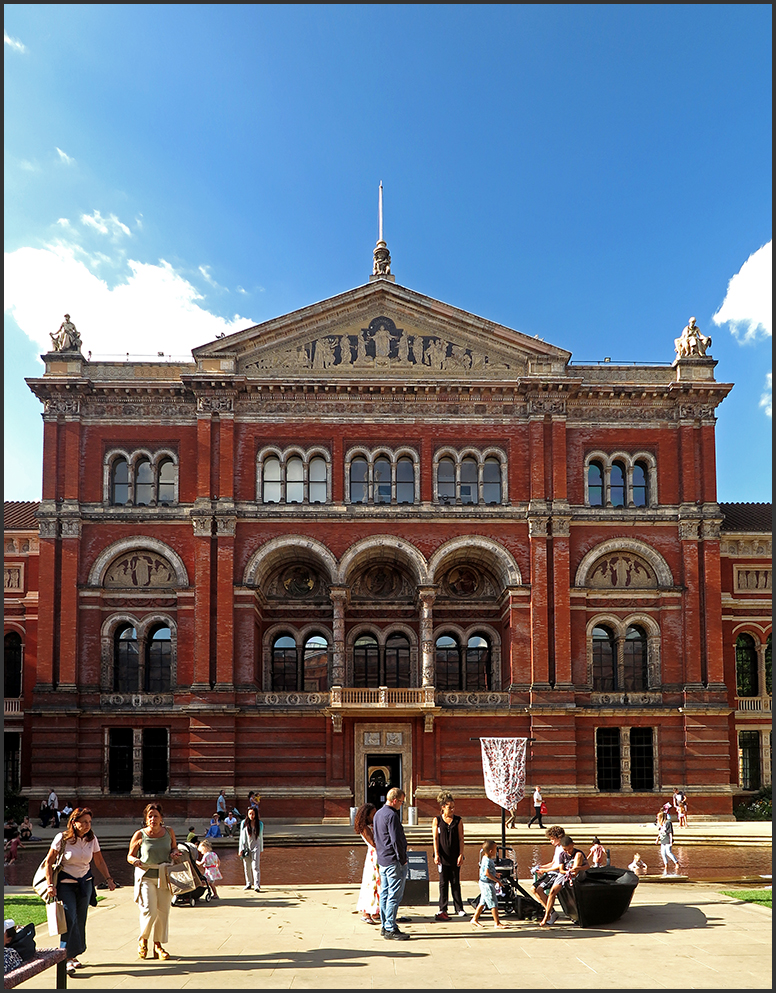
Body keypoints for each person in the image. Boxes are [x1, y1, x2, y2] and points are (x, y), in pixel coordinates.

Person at [44, 807, 116, 975]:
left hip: (86, 883)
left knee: (81, 919)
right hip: (66, 884)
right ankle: (65, 957)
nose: (87, 825)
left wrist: (109, 879)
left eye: (89, 822)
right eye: (83, 822)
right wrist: (50, 885)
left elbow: (98, 861)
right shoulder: (62, 838)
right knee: (70, 918)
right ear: (74, 823)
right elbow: (49, 862)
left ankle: (74, 954)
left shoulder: (92, 839)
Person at [127, 802, 182, 961]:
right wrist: (135, 861)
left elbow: (173, 848)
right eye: (150, 816)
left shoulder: (169, 832)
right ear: (146, 818)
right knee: (150, 911)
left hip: (164, 875)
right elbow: (130, 856)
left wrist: (175, 853)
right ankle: (143, 939)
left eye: (155, 816)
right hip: (146, 876)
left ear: (161, 818)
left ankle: (158, 946)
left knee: (163, 912)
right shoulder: (140, 834)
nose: (153, 819)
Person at [372, 787, 410, 940]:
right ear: (395, 800)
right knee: (394, 895)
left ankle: (384, 925)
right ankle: (390, 927)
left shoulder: (378, 814)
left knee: (385, 894)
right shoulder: (392, 815)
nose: (401, 805)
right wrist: (402, 859)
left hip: (383, 860)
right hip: (394, 861)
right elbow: (396, 840)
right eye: (401, 802)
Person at [539, 834, 588, 927]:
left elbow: (587, 866)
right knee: (552, 892)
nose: (568, 852)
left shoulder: (578, 852)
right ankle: (547, 916)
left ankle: (573, 875)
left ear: (573, 845)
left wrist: (577, 868)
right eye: (565, 849)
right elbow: (561, 870)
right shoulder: (562, 854)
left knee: (578, 856)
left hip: (578, 872)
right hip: (565, 873)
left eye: (569, 849)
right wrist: (567, 872)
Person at [432, 791, 466, 920]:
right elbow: (435, 838)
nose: (451, 809)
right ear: (443, 807)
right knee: (443, 882)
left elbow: (461, 838)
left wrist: (461, 854)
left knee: (455, 881)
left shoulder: (458, 820)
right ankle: (443, 907)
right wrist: (436, 854)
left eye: (453, 807)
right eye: (449, 807)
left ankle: (459, 907)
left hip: (454, 855)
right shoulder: (437, 820)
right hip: (442, 856)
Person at [529, 825, 566, 917]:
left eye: (552, 839)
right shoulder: (557, 848)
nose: (551, 841)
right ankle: (551, 911)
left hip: (556, 874)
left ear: (559, 838)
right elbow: (553, 862)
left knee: (540, 889)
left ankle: (549, 913)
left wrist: (546, 870)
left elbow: (559, 866)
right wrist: (540, 867)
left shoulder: (563, 849)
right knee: (533, 889)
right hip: (551, 872)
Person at [353, 802, 381, 924]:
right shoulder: (364, 828)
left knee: (377, 885)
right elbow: (373, 842)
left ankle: (375, 910)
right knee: (371, 884)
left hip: (376, 856)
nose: (375, 816)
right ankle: (366, 912)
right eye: (373, 814)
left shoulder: (370, 825)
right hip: (373, 857)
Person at [471, 840, 507, 929]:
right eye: (495, 849)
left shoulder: (486, 858)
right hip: (487, 884)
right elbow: (487, 873)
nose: (496, 851)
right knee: (493, 903)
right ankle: (497, 923)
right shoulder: (487, 861)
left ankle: (474, 919)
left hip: (484, 883)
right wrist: (497, 880)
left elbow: (488, 871)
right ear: (491, 851)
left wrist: (495, 873)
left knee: (482, 902)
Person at [239, 804, 263, 892]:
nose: (251, 816)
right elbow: (241, 837)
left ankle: (257, 885)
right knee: (246, 866)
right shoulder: (244, 823)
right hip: (246, 847)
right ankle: (248, 883)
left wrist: (261, 849)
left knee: (255, 866)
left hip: (256, 845)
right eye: (250, 814)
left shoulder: (259, 824)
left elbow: (261, 837)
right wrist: (240, 849)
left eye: (253, 814)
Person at [656, 810, 679, 875]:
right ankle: (666, 864)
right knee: (663, 853)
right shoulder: (661, 824)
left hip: (668, 839)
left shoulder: (668, 823)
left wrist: (671, 840)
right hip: (663, 839)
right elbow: (660, 832)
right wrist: (657, 839)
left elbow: (670, 832)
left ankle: (676, 863)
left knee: (668, 852)